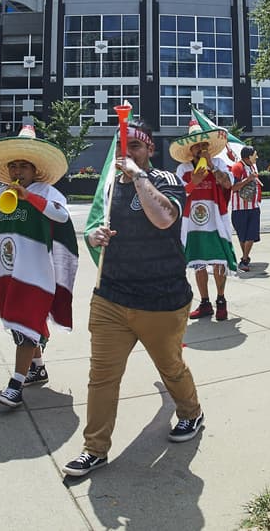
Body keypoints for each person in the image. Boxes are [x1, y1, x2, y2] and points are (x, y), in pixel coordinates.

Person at [66, 117, 204, 478]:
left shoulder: (167, 181)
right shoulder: (112, 188)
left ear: (150, 151)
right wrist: (95, 236)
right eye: (122, 151)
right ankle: (94, 448)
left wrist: (138, 176)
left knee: (170, 366)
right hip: (111, 296)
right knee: (102, 377)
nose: (127, 156)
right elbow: (101, 227)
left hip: (161, 299)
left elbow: (163, 220)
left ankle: (191, 412)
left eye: (136, 148)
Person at [0, 125, 77, 409]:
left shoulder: (48, 192)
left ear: (35, 170)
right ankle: (37, 368)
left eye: (24, 165)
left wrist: (29, 197)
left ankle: (16, 385)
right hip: (9, 271)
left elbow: (61, 216)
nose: (18, 171)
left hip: (36, 272)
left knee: (25, 325)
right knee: (22, 325)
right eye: (13, 166)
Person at [171, 126, 237, 321]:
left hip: (216, 219)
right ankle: (205, 303)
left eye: (203, 145)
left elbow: (227, 184)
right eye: (196, 146)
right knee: (199, 263)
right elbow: (179, 195)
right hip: (193, 223)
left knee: (219, 261)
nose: (200, 148)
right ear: (190, 150)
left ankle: (221, 301)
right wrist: (194, 181)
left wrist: (212, 166)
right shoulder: (183, 169)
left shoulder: (218, 162)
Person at [229, 145, 262, 273]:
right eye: (255, 154)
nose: (257, 157)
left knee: (251, 235)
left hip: (253, 207)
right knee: (243, 236)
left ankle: (244, 259)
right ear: (248, 156)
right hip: (240, 208)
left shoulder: (252, 167)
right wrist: (248, 179)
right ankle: (245, 258)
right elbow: (233, 187)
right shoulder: (237, 167)